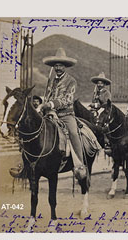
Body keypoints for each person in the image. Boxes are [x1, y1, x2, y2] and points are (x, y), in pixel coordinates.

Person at [41, 47, 87, 180]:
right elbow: (47, 96)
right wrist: (46, 105)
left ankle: (79, 164)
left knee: (73, 132)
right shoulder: (51, 80)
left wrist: (51, 104)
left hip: (65, 115)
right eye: (56, 65)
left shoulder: (71, 81)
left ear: (65, 67)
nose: (58, 68)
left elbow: (68, 99)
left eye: (61, 65)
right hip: (50, 113)